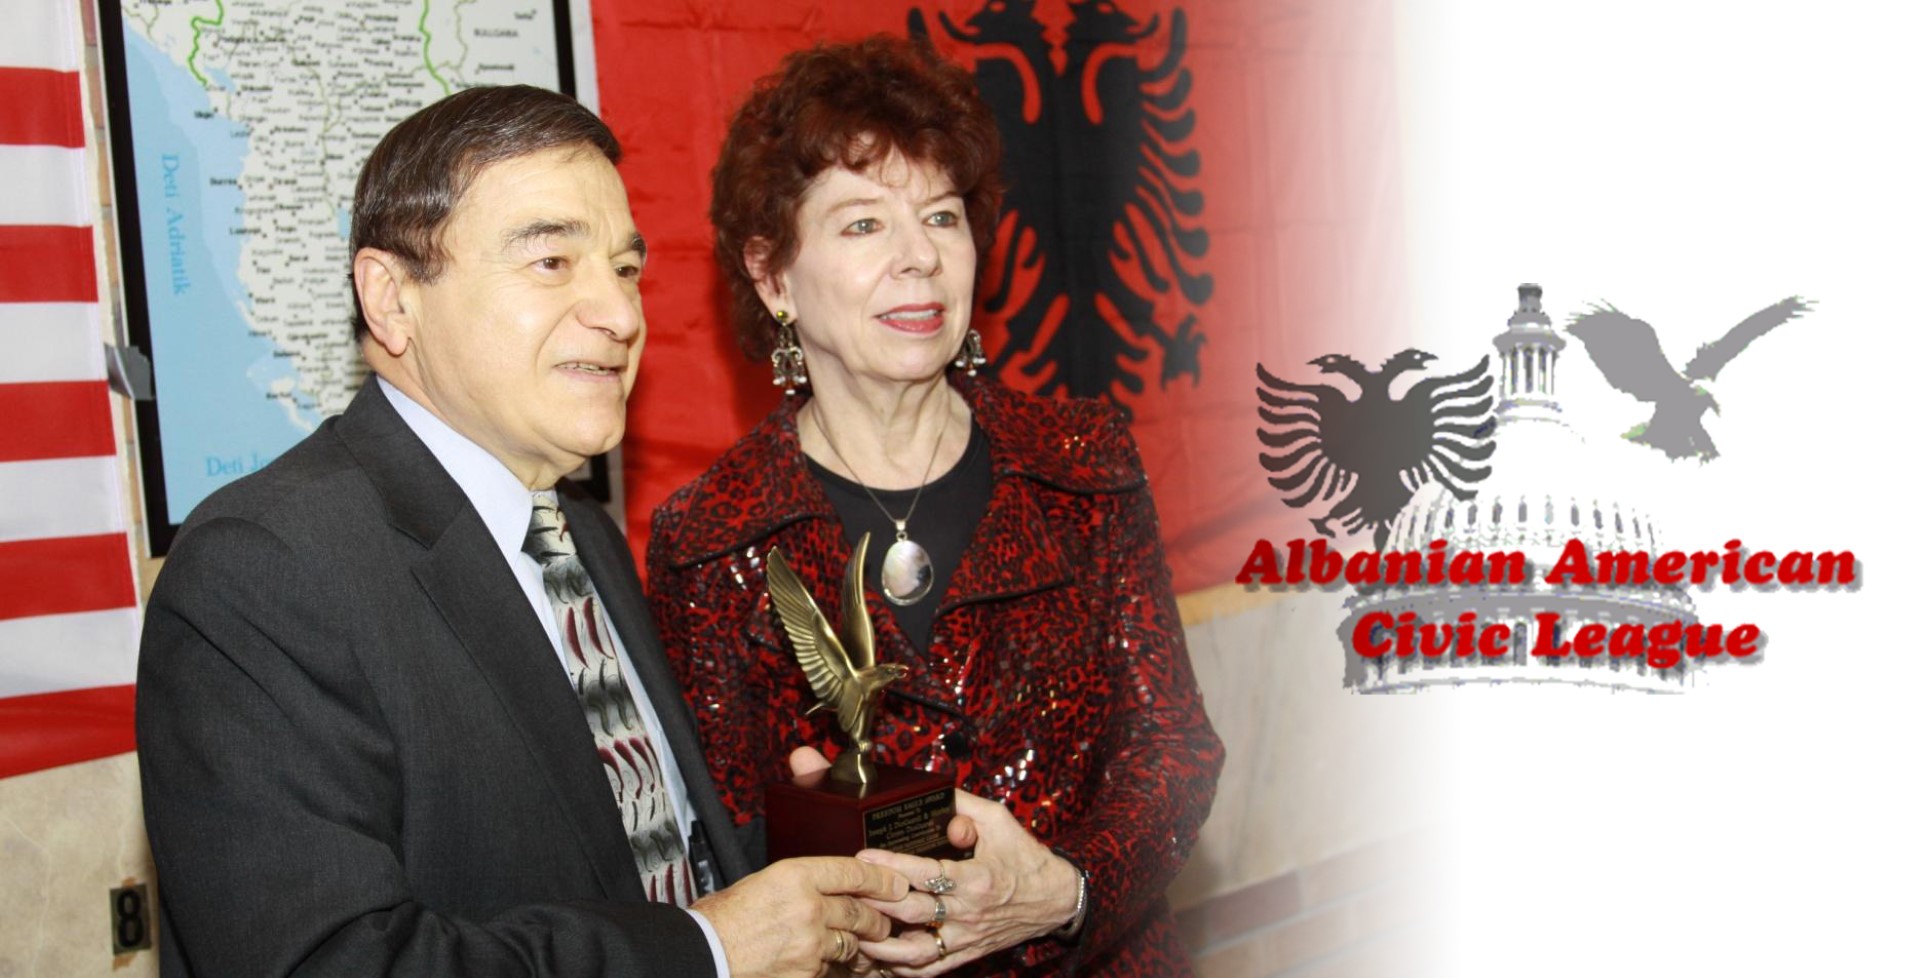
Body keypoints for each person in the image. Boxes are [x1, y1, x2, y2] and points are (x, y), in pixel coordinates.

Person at [136, 84, 907, 978]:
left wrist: (829, 865)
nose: (622, 316)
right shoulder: (262, 569)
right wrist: (710, 951)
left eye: (625, 269)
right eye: (551, 261)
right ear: (391, 299)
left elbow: (625, 858)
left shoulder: (582, 534)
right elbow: (327, 962)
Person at [648, 37, 1225, 977]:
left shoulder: (1082, 463)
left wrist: (1065, 892)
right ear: (772, 275)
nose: (918, 258)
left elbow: (1173, 749)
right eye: (863, 225)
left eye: (942, 217)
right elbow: (718, 845)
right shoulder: (713, 540)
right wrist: (826, 902)